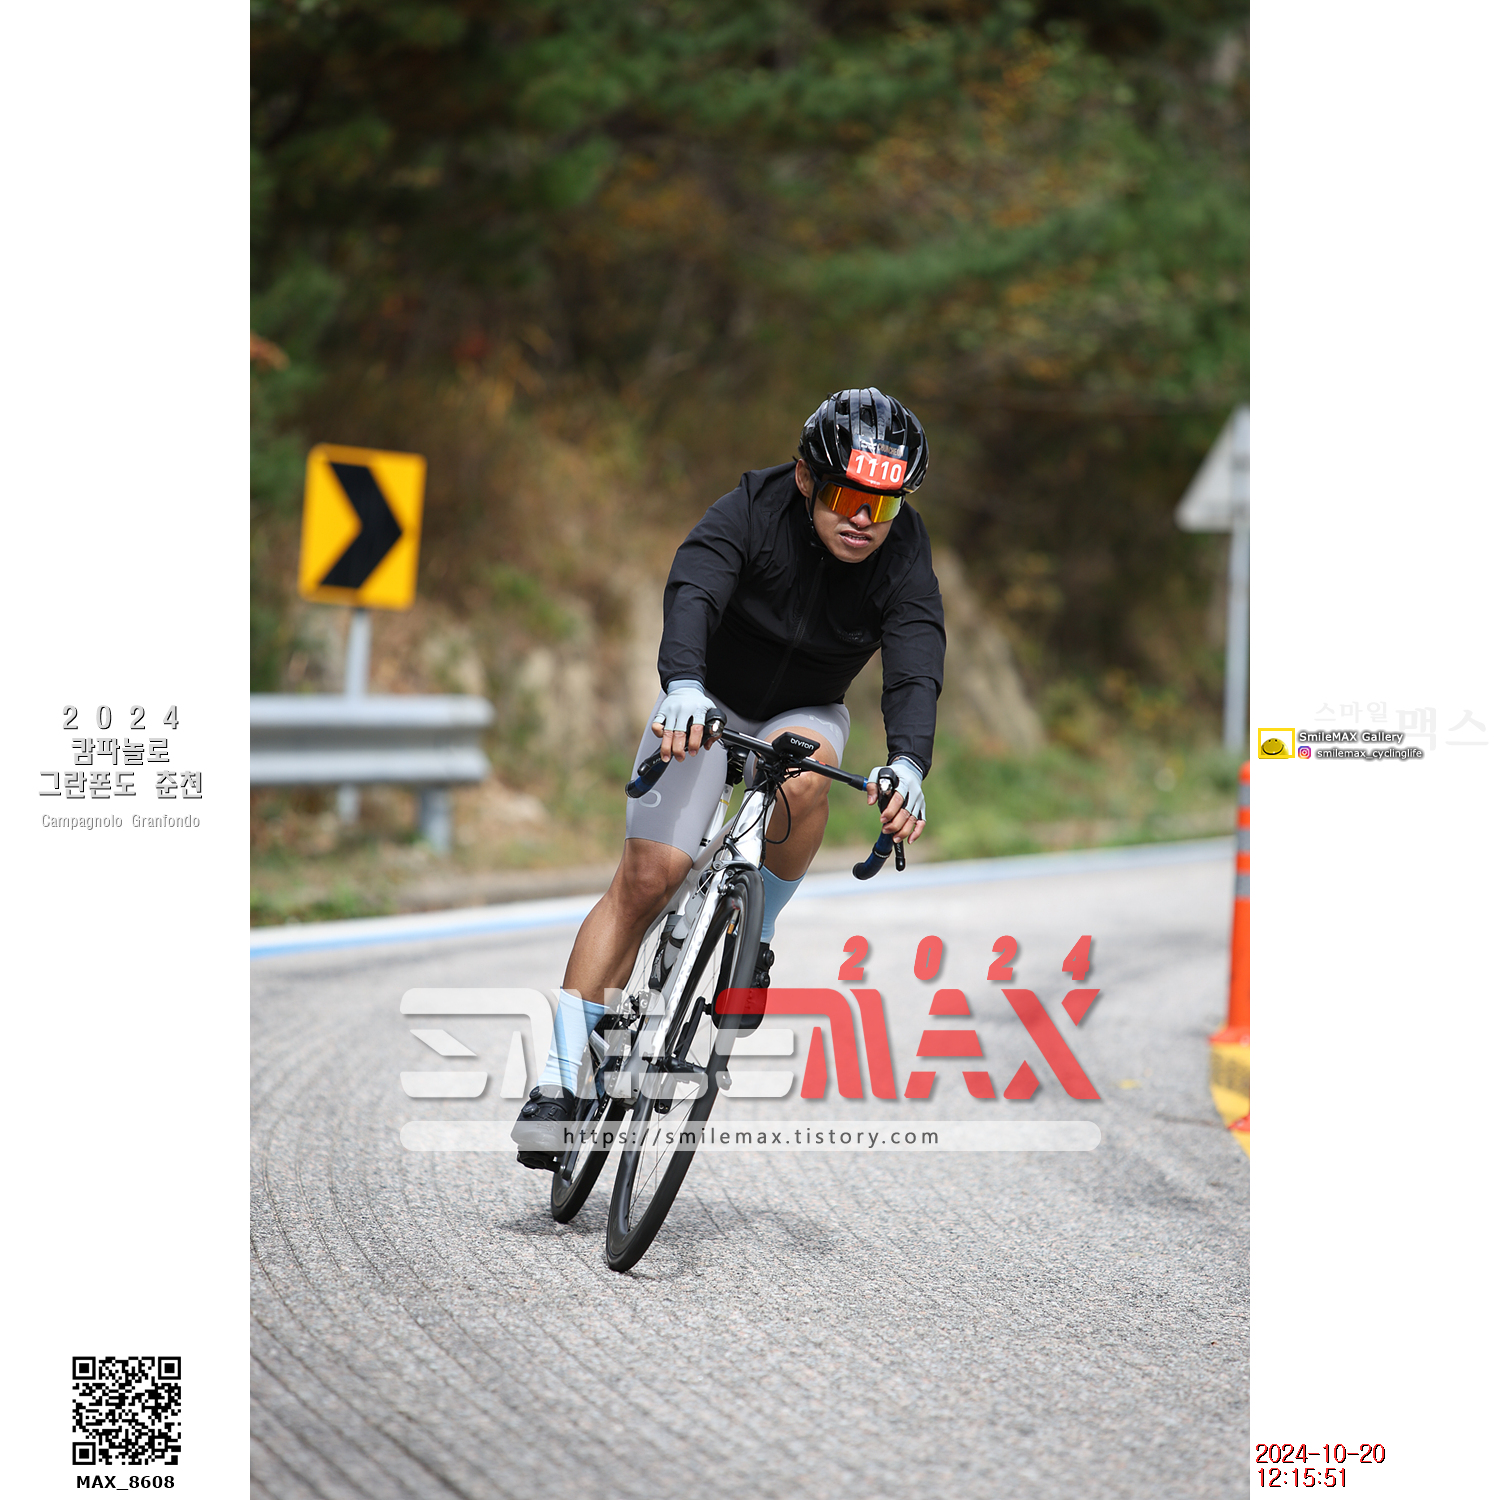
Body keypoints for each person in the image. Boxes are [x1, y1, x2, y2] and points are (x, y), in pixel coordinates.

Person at [514, 387, 946, 1168]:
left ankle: (757, 932)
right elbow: (695, 589)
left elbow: (915, 660)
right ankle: (557, 1079)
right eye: (847, 497)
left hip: (805, 709)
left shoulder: (903, 551)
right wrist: (682, 682)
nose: (863, 519)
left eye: (882, 505)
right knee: (646, 879)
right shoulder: (752, 507)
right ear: (807, 478)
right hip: (705, 698)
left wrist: (909, 762)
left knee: (807, 775)